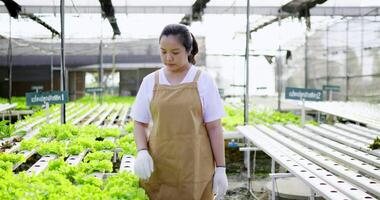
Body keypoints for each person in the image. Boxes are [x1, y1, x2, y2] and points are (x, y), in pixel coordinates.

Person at [130, 23, 228, 200]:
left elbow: (214, 127)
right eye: (163, 52)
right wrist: (142, 151)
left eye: (175, 53)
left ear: (189, 51)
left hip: (196, 167)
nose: (168, 58)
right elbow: (140, 122)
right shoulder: (150, 81)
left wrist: (221, 168)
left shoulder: (203, 81)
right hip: (159, 165)